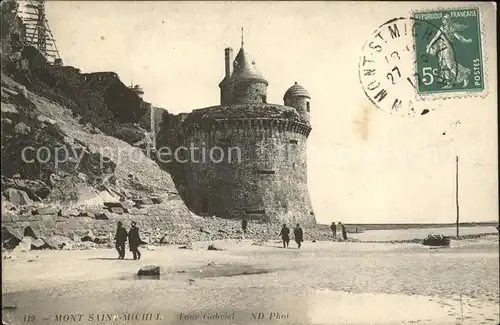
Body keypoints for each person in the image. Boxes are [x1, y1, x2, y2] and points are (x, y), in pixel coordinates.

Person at [426, 14, 472, 89]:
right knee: (444, 66)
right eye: (443, 20)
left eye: (444, 20)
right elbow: (435, 38)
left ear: (448, 21)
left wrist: (467, 41)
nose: (443, 21)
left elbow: (459, 37)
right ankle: (449, 83)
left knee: (450, 65)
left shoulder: (448, 28)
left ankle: (464, 77)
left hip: (447, 48)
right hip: (441, 49)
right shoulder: (444, 28)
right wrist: (429, 47)